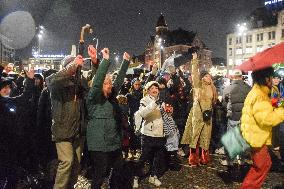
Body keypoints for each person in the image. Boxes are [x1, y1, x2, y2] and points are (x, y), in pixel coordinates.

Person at [86, 48, 130, 189]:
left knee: (118, 168)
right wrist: (104, 61)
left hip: (113, 142)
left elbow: (118, 82)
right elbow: (98, 81)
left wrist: (125, 62)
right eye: (107, 83)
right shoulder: (93, 98)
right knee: (100, 172)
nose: (110, 85)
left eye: (110, 83)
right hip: (98, 144)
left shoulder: (111, 97)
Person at [46, 54, 87, 189]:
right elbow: (52, 81)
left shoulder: (80, 83)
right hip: (62, 131)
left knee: (76, 164)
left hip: (77, 131)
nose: (75, 69)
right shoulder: (56, 82)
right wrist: (73, 65)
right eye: (71, 65)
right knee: (67, 162)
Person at [240, 67, 284, 189]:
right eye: (271, 77)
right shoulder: (260, 95)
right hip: (257, 138)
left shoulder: (258, 92)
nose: (273, 79)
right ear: (266, 78)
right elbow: (266, 119)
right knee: (262, 165)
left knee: (264, 164)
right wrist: (281, 111)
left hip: (256, 136)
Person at [134, 80, 166, 188]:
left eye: (156, 88)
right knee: (144, 157)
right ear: (148, 91)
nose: (154, 90)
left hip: (159, 133)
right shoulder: (144, 100)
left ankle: (153, 175)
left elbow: (163, 116)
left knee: (157, 158)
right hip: (148, 133)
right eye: (152, 88)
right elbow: (143, 114)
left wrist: (169, 112)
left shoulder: (161, 101)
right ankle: (136, 176)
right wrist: (154, 104)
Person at [187, 52, 217, 166]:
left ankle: (204, 158)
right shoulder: (198, 86)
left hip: (207, 115)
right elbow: (194, 74)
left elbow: (213, 101)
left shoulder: (213, 87)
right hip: (198, 114)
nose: (208, 77)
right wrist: (194, 60)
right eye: (205, 76)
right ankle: (193, 159)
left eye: (209, 76)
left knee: (206, 136)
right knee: (195, 136)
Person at [220, 69, 251, 165]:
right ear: (242, 77)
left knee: (232, 138)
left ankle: (230, 161)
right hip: (244, 117)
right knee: (242, 137)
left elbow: (224, 104)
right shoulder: (248, 88)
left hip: (233, 116)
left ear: (233, 77)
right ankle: (241, 159)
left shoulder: (227, 89)